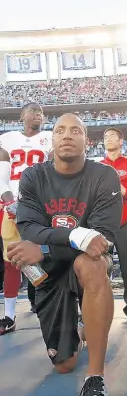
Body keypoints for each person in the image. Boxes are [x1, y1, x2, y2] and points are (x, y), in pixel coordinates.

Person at [8, 114, 122, 396]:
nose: (67, 135)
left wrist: (47, 244)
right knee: (64, 365)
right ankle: (81, 334)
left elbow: (99, 241)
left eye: (76, 130)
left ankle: (95, 377)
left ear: (87, 140)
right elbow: (29, 228)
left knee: (92, 263)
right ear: (52, 139)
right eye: (60, 130)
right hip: (49, 269)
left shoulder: (104, 176)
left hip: (80, 263)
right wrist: (74, 236)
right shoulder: (33, 177)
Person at [0, 102, 52, 335]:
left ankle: (52, 305)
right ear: (22, 115)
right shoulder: (8, 139)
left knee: (45, 257)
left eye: (41, 112)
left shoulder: (50, 138)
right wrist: (10, 201)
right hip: (11, 205)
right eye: (33, 111)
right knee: (11, 260)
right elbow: (1, 174)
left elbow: (54, 171)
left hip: (41, 205)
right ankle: (9, 315)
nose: (38, 115)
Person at [101, 127, 127, 324]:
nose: (108, 139)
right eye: (105, 137)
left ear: (121, 141)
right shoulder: (98, 167)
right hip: (105, 225)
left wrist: (122, 190)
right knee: (101, 268)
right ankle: (99, 307)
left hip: (125, 224)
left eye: (112, 136)